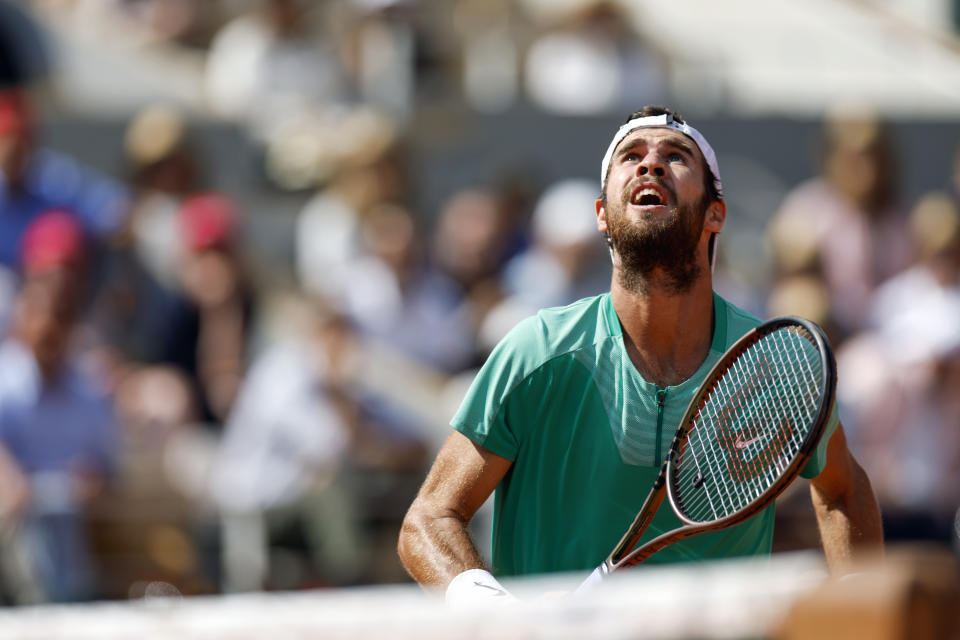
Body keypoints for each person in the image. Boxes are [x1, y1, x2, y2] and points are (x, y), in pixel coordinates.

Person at [397, 106, 883, 606]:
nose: (650, 164)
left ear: (715, 212)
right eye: (631, 156)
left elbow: (843, 490)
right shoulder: (537, 352)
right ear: (603, 215)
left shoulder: (772, 364)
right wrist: (491, 612)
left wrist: (863, 610)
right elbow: (430, 519)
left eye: (675, 157)